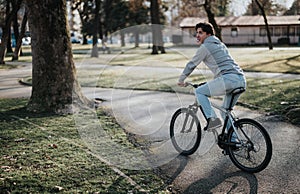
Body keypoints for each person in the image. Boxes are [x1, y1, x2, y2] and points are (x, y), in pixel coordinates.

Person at [178, 22, 246, 130]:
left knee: (199, 91)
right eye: (196, 33)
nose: (197, 35)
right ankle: (233, 142)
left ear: (208, 34)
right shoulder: (220, 44)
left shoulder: (205, 47)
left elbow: (191, 65)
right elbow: (222, 66)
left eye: (201, 33)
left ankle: (213, 119)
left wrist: (181, 79)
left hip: (227, 80)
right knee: (225, 112)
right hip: (240, 79)